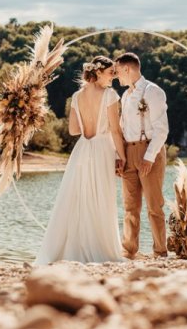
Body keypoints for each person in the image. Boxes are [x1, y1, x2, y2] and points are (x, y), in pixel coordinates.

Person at [34, 56, 125, 264]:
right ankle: (102, 249)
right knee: (102, 197)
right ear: (99, 72)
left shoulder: (76, 96)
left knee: (80, 198)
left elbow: (74, 130)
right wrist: (122, 156)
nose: (113, 77)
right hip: (103, 148)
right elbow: (116, 130)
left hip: (83, 149)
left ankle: (77, 247)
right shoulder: (110, 95)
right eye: (111, 72)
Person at [114, 52, 169, 259]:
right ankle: (129, 251)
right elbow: (121, 127)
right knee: (130, 206)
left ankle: (160, 252)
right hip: (128, 153)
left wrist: (149, 157)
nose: (117, 76)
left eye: (118, 71)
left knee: (154, 205)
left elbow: (162, 129)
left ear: (127, 69)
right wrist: (118, 156)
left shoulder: (152, 91)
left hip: (149, 151)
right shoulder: (126, 96)